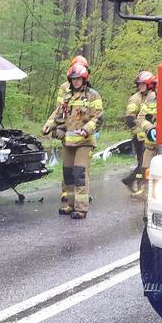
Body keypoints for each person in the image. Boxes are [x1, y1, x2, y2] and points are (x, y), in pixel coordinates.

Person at [42, 63, 103, 219]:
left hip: (85, 142)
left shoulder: (92, 95)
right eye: (73, 79)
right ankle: (70, 204)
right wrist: (49, 126)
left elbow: (98, 117)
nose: (76, 82)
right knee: (68, 173)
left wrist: (86, 129)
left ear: (84, 79)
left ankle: (81, 209)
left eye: (79, 79)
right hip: (68, 141)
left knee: (79, 173)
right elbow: (57, 114)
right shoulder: (67, 96)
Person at [56, 55, 90, 203]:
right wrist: (58, 127)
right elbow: (60, 111)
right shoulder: (65, 88)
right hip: (68, 134)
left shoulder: (90, 92)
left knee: (81, 169)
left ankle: (81, 198)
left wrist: (87, 129)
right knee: (68, 168)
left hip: (83, 138)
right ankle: (66, 192)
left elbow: (95, 116)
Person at [122, 71, 156, 193]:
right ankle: (140, 186)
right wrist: (138, 132)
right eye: (139, 84)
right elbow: (130, 118)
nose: (140, 86)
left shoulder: (151, 97)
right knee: (143, 163)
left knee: (145, 164)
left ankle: (133, 181)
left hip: (150, 137)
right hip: (140, 137)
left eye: (143, 84)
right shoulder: (135, 98)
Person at [133, 74, 158, 198]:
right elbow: (141, 118)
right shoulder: (151, 101)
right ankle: (146, 192)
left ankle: (158, 194)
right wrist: (150, 128)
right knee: (145, 167)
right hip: (150, 144)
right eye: (158, 87)